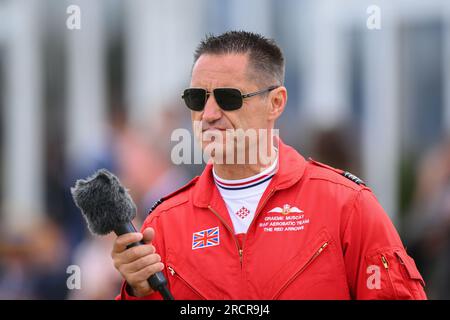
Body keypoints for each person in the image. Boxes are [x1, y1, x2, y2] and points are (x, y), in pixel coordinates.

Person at [112, 31, 426, 300]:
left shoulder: (348, 206)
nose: (208, 114)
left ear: (275, 103)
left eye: (227, 97)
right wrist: (135, 291)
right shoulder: (163, 224)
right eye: (197, 98)